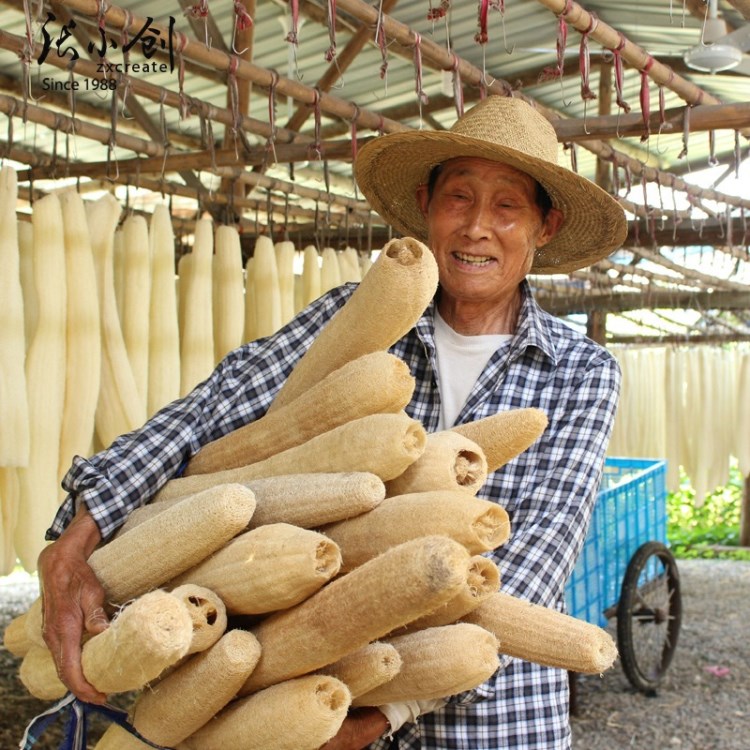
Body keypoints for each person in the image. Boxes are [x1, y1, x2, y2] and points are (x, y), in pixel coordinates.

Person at [38, 95, 627, 749]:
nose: (477, 228)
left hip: (488, 721)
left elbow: (530, 560)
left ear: (546, 226)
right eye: (460, 197)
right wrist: (77, 538)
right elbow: (213, 408)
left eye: (507, 207)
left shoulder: (582, 372)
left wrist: (384, 710)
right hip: (299, 694)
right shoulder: (360, 313)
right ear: (428, 202)